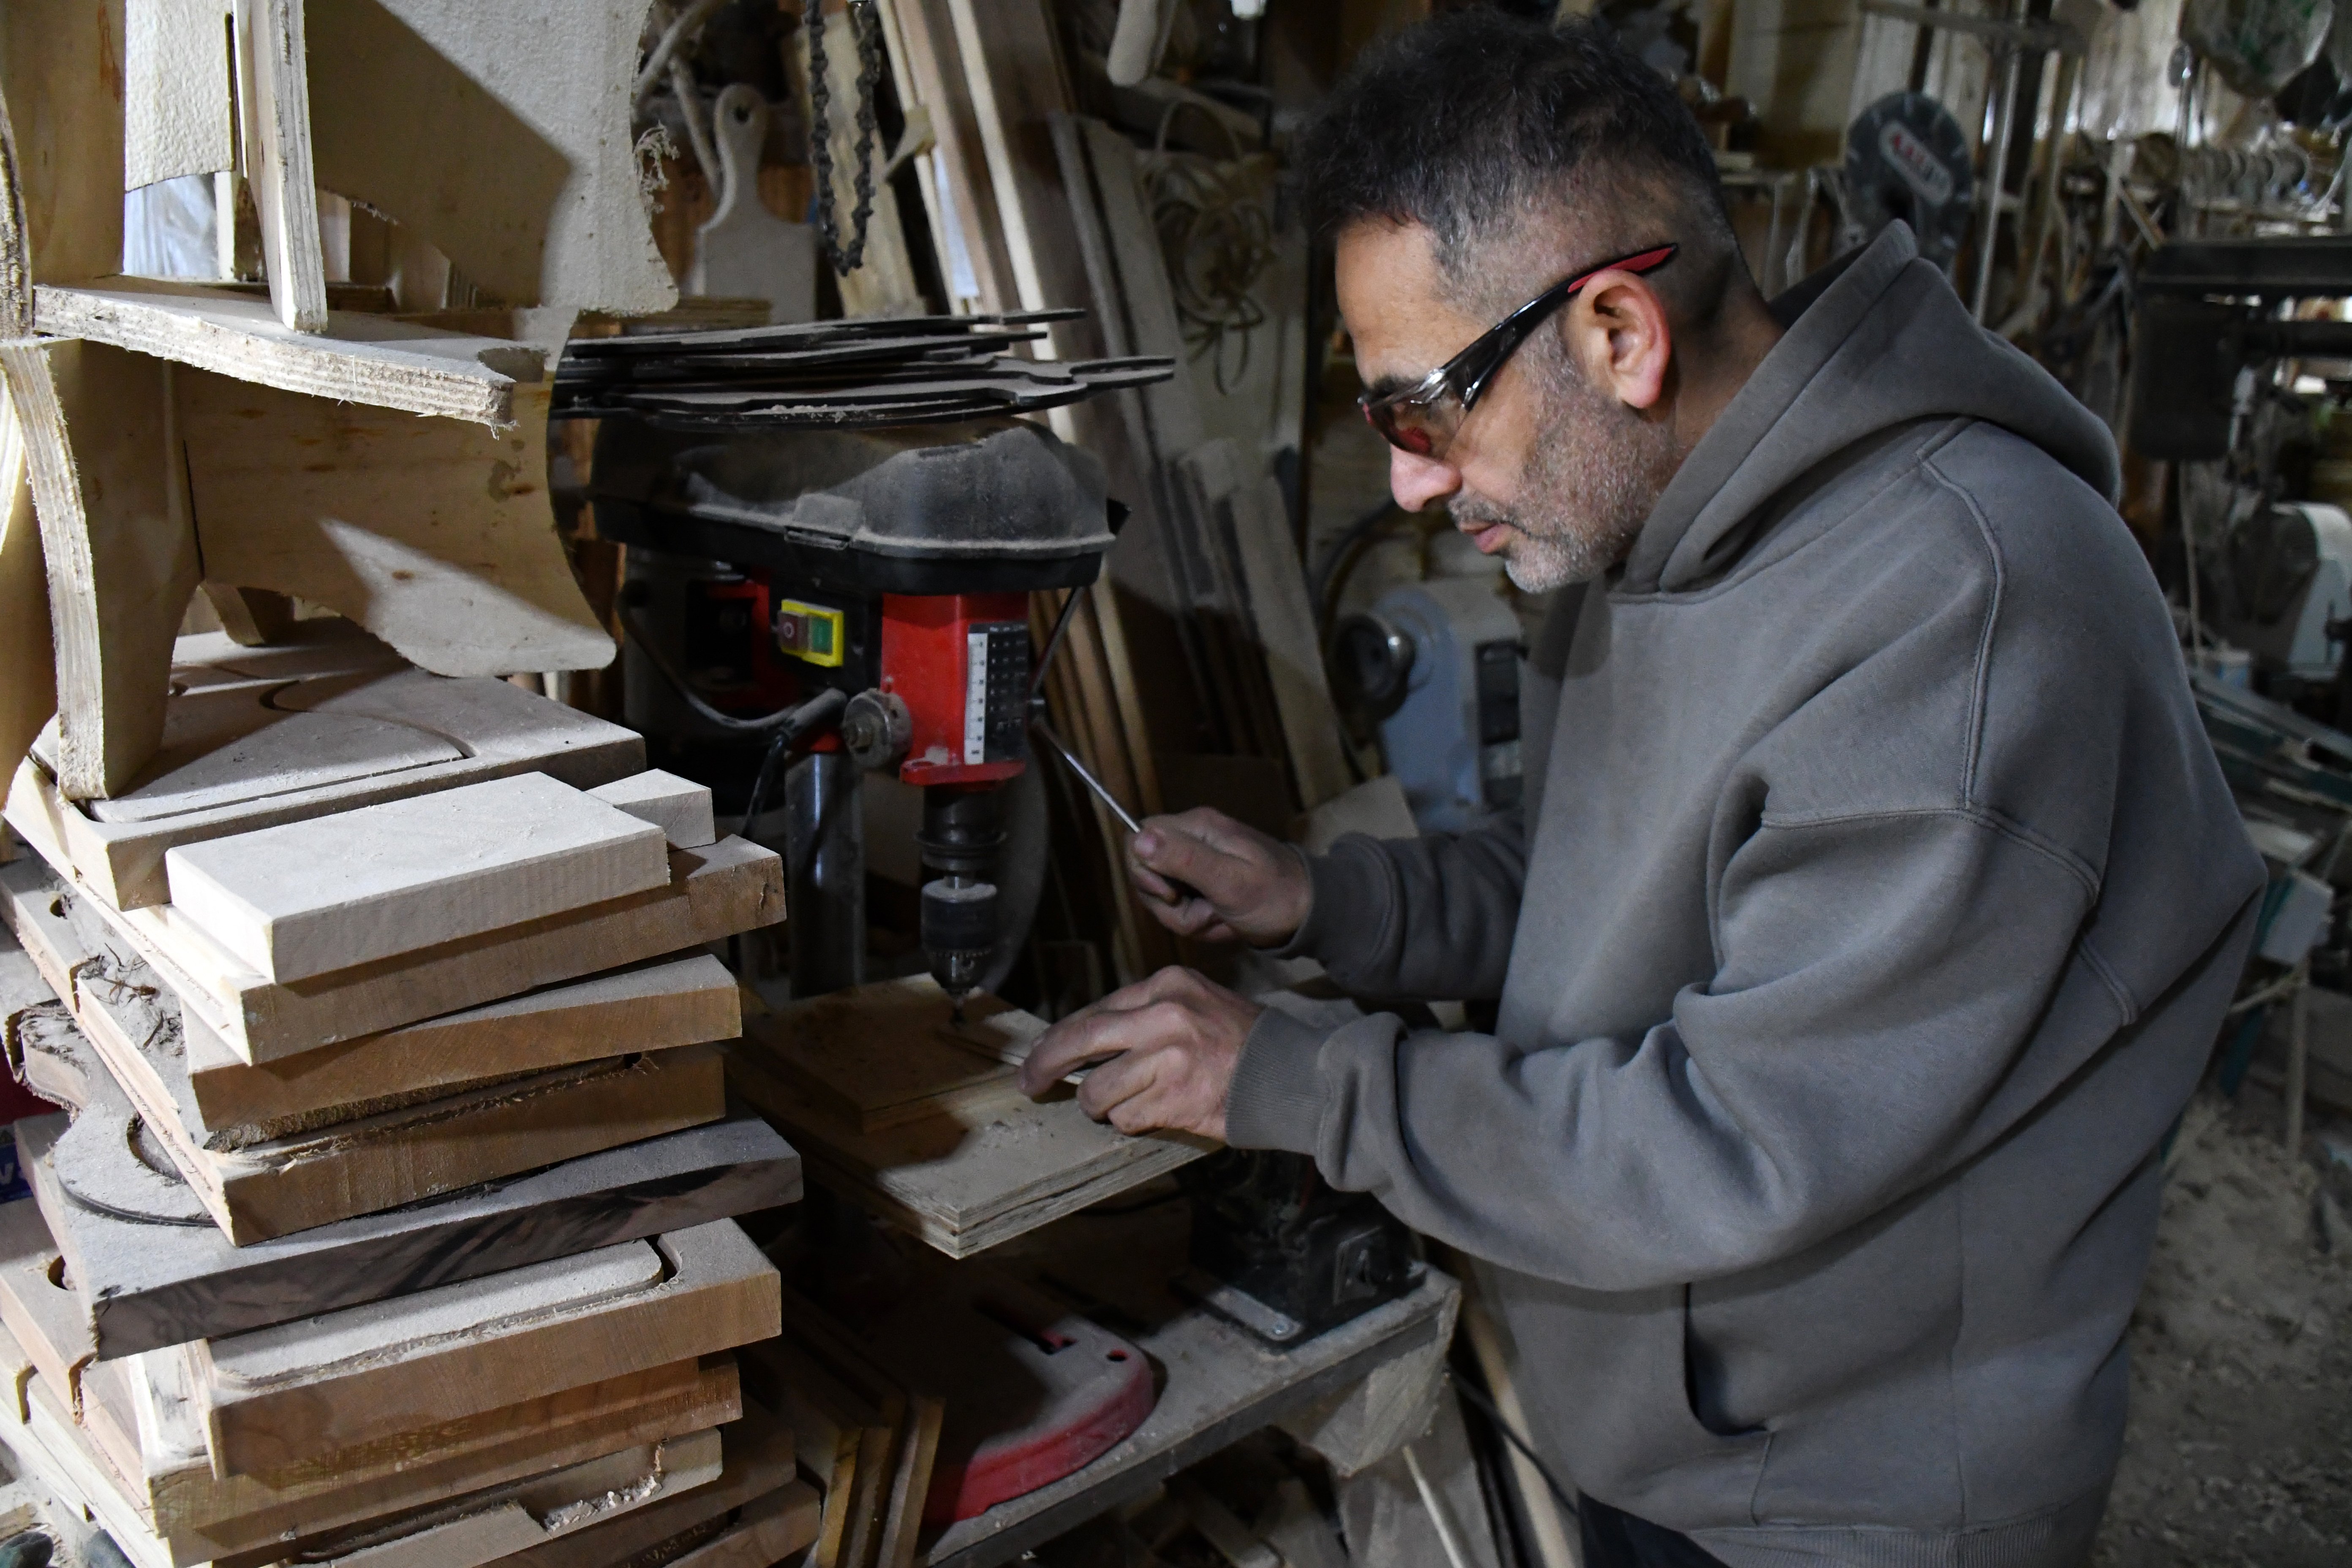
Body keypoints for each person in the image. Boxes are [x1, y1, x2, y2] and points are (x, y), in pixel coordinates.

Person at [1016, 13, 2264, 1567]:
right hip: (1655, 1432)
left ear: (1618, 333)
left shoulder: (1967, 613)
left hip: (1845, 1513)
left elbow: (1731, 1142)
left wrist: (1293, 1078)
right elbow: (1586, 881)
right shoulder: (1645, 520)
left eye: (1426, 408)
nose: (1407, 478)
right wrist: (1326, 898)